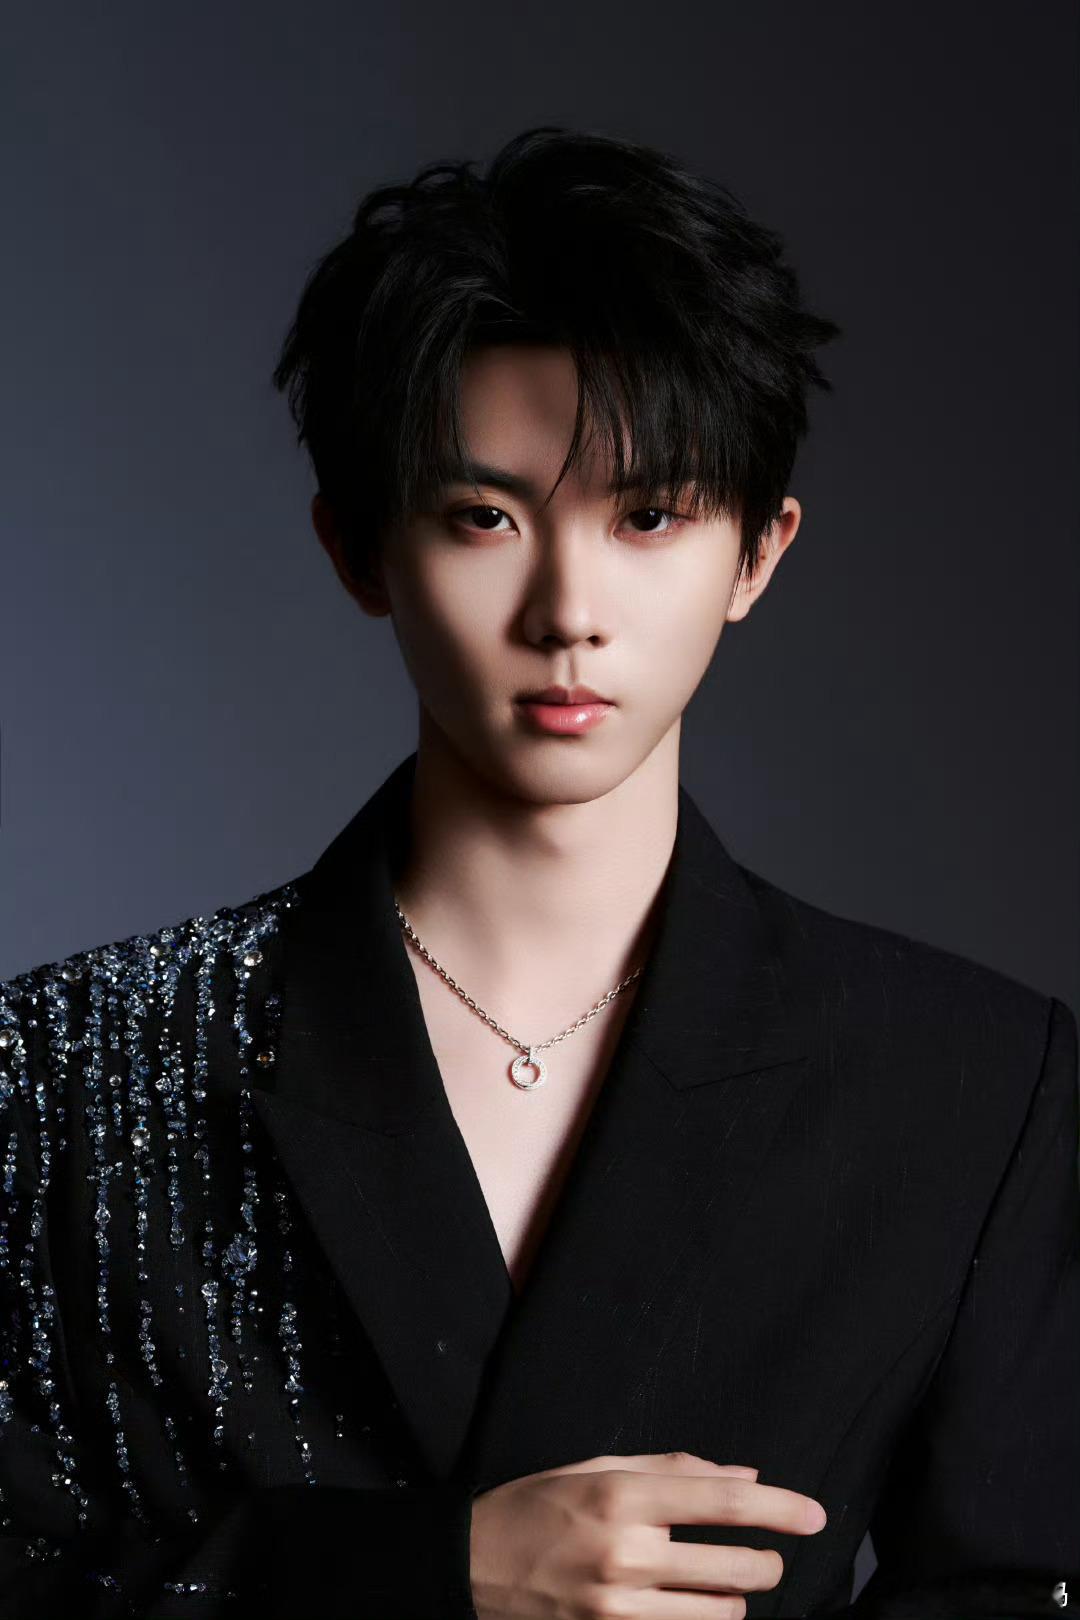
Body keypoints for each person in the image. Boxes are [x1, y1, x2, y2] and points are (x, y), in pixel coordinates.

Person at [0, 125, 1076, 1620]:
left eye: (650, 516)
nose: (569, 608)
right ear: (358, 550)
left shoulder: (968, 1083)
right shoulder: (75, 1066)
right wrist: (435, 1576)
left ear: (758, 554)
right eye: (483, 517)